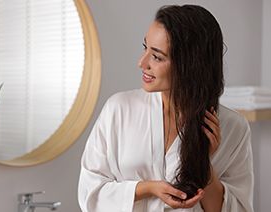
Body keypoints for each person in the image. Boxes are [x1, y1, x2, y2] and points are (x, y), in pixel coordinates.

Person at [78, 4, 253, 212]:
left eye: (157, 57)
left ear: (190, 65)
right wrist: (147, 188)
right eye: (145, 48)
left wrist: (203, 167)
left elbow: (239, 209)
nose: (142, 63)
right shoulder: (119, 110)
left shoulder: (233, 128)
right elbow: (89, 192)